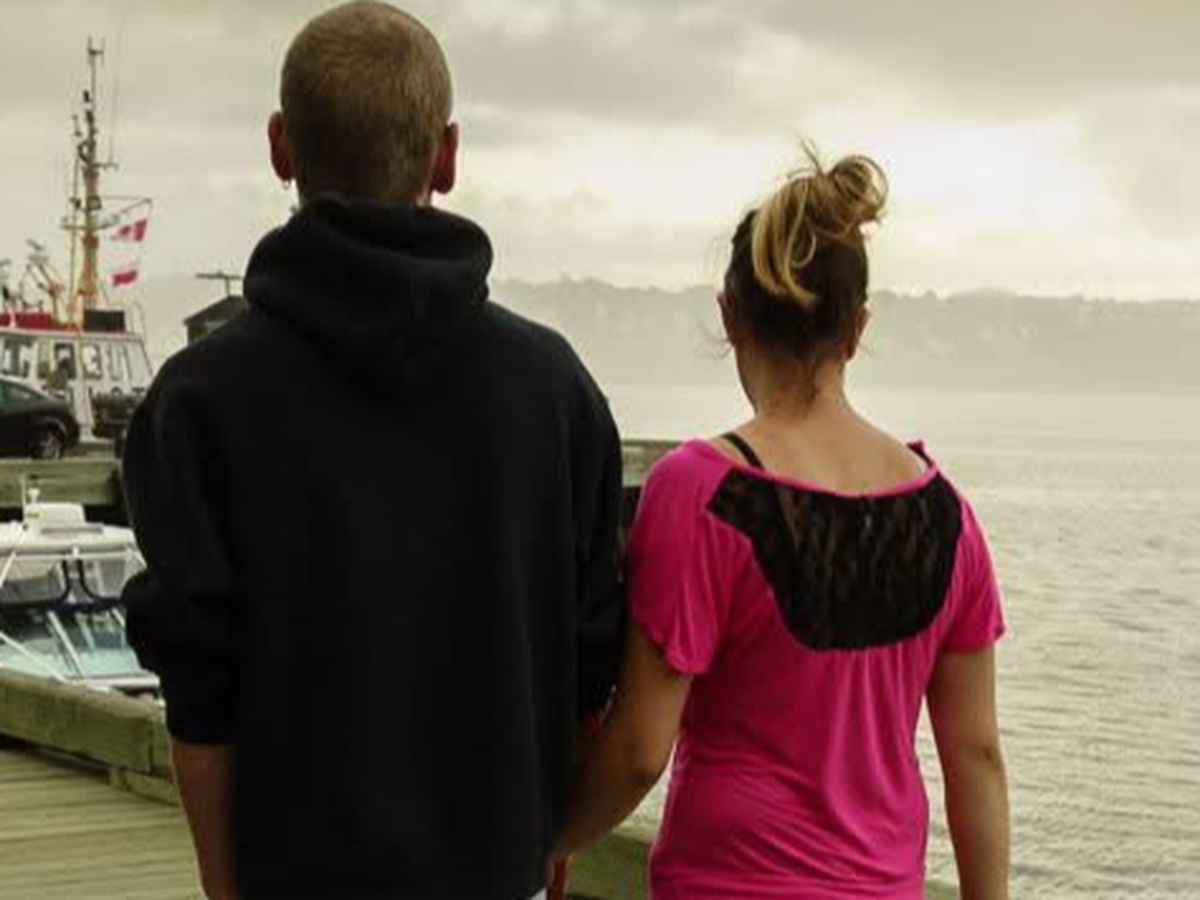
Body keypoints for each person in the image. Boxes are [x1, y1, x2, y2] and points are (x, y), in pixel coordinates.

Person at [121, 4, 624, 899]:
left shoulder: (199, 401)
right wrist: (546, 847)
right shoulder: (554, 391)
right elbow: (591, 666)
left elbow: (201, 696)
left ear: (280, 146)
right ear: (447, 156)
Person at [555, 152, 1010, 899]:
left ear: (730, 313)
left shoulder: (702, 494)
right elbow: (977, 757)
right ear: (856, 329)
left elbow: (639, 751)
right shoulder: (948, 517)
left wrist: (550, 840)